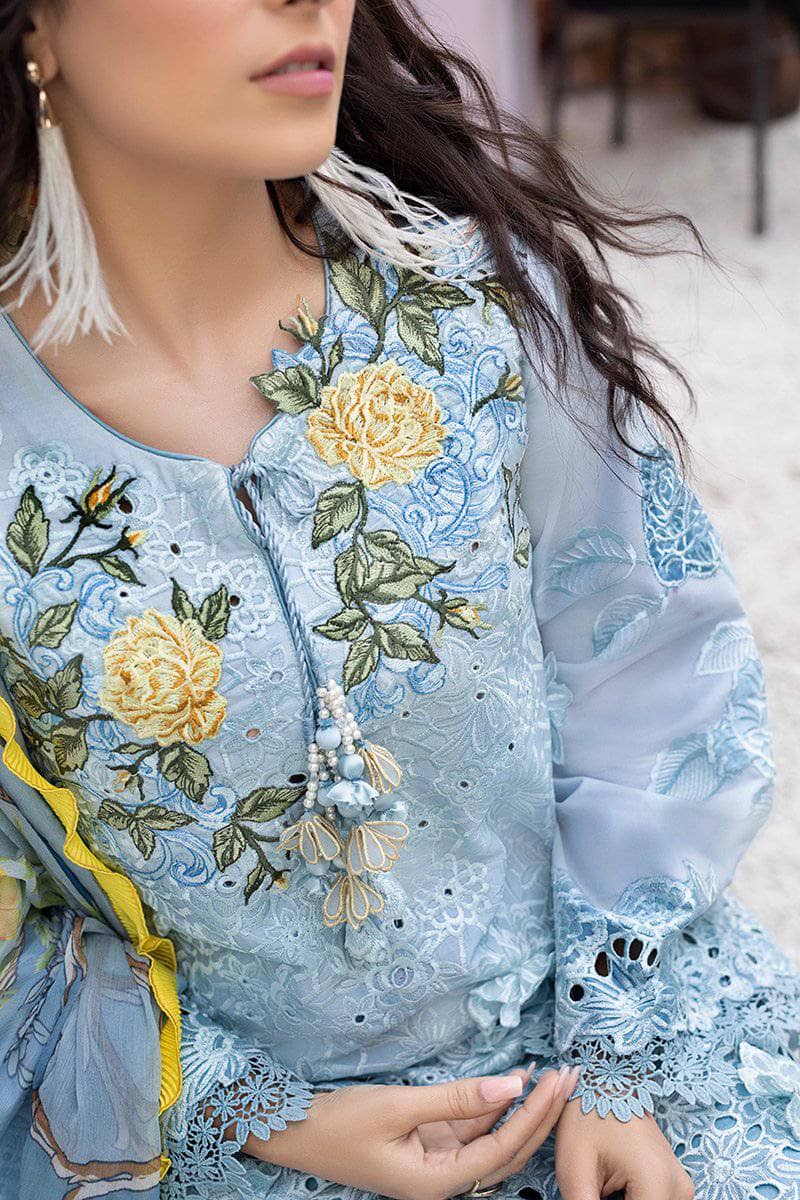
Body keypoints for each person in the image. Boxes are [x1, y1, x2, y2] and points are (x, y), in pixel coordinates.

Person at [0, 2, 798, 1199]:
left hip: (623, 1064)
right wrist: (242, 1106)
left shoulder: (477, 308)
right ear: (35, 29)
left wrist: (614, 1050)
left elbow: (650, 673)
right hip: (207, 1146)